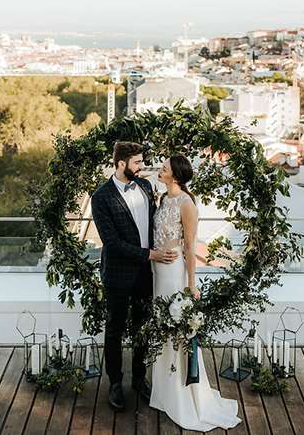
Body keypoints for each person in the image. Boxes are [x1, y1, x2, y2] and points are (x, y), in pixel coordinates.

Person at [149, 154, 242, 431]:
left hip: (174, 273)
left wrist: (191, 283)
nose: (160, 168)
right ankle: (164, 393)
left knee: (176, 330)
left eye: (165, 167)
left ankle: (182, 396)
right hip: (157, 272)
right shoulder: (163, 198)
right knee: (161, 330)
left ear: (175, 175)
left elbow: (190, 247)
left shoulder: (187, 204)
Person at [91, 141, 179, 412]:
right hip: (117, 274)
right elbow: (112, 242)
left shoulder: (144, 187)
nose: (142, 167)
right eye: (137, 162)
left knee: (142, 327)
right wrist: (150, 255)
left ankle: (139, 379)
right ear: (121, 164)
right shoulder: (101, 197)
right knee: (115, 329)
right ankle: (115, 383)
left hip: (144, 275)